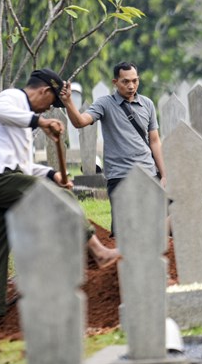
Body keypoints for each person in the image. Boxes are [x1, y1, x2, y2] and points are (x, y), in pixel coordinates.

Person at [0, 68, 120, 324]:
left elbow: (26, 168)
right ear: (44, 91)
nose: (47, 110)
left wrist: (53, 175)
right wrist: (40, 122)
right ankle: (98, 251)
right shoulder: (11, 98)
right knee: (60, 200)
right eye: (50, 103)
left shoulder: (25, 122)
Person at [60, 61, 166, 236]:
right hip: (120, 175)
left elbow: (154, 140)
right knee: (122, 230)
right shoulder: (105, 104)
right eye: (125, 81)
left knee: (153, 226)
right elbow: (80, 121)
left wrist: (164, 174)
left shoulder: (147, 104)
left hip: (148, 173)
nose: (131, 86)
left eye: (135, 81)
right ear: (115, 82)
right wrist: (68, 101)